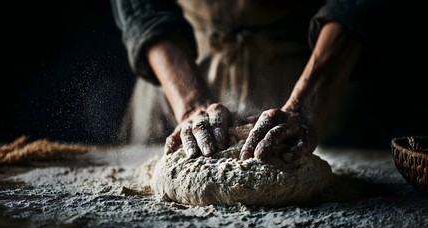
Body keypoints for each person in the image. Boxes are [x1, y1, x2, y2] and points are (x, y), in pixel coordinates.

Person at [109, 0, 388, 161]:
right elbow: (140, 7)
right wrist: (190, 105)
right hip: (175, 69)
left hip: (317, 69)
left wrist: (306, 104)